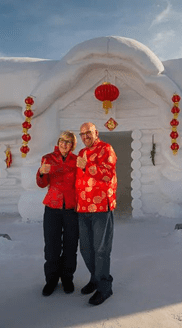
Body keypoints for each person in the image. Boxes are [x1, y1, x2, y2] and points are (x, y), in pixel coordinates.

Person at [76, 122, 117, 306]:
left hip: (101, 207)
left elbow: (108, 174)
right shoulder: (81, 153)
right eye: (82, 134)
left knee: (101, 250)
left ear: (96, 132)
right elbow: (78, 180)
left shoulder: (106, 149)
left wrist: (88, 166)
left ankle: (104, 287)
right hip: (83, 208)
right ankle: (95, 278)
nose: (85, 136)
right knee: (85, 248)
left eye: (88, 133)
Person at [36, 131, 79, 296]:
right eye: (62, 140)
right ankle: (51, 280)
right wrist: (41, 172)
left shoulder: (76, 160)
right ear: (58, 142)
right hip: (52, 208)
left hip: (71, 209)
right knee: (52, 246)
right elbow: (42, 183)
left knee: (70, 246)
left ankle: (67, 278)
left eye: (68, 142)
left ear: (72, 145)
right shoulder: (47, 158)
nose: (64, 144)